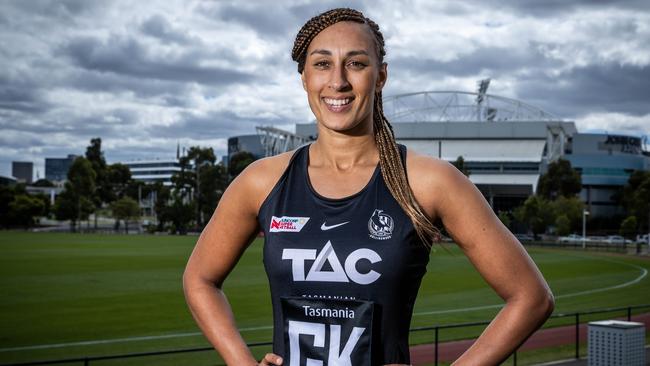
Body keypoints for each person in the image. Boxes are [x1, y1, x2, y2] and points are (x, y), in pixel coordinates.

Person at [183, 7, 554, 366]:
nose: (338, 81)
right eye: (322, 63)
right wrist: (240, 361)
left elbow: (531, 297)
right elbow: (199, 279)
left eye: (356, 63)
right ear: (304, 77)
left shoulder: (429, 181)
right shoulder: (261, 180)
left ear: (380, 77)